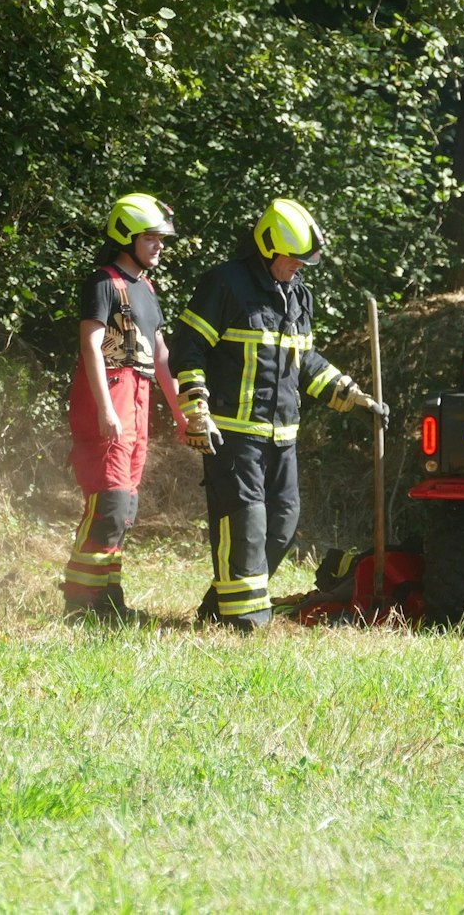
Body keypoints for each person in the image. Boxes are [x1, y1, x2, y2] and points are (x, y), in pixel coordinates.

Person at [166, 198, 388, 630]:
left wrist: (351, 396)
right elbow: (188, 348)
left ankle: (222, 605)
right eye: (293, 259)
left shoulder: (297, 295)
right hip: (232, 433)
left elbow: (303, 362)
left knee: (282, 524)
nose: (299, 268)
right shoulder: (225, 285)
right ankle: (244, 622)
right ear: (268, 248)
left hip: (282, 436)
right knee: (245, 522)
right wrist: (197, 409)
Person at [59, 193, 188, 624]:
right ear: (126, 236)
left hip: (139, 400)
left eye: (161, 239)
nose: (159, 246)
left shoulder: (147, 289)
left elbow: (162, 355)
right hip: (110, 397)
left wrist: (181, 413)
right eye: (151, 238)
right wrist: (104, 409)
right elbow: (91, 346)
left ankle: (107, 596)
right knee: (109, 502)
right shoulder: (103, 283)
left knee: (125, 508)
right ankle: (80, 602)